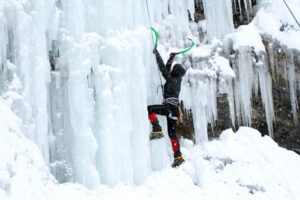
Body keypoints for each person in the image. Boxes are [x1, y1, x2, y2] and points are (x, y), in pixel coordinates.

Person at [148, 46, 186, 168]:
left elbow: (163, 69)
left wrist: (157, 54)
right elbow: (167, 71)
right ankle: (178, 156)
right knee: (172, 134)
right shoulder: (176, 80)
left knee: (150, 109)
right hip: (175, 111)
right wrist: (170, 59)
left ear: (175, 72)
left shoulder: (171, 80)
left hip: (170, 108)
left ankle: (157, 128)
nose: (172, 70)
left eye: (174, 69)